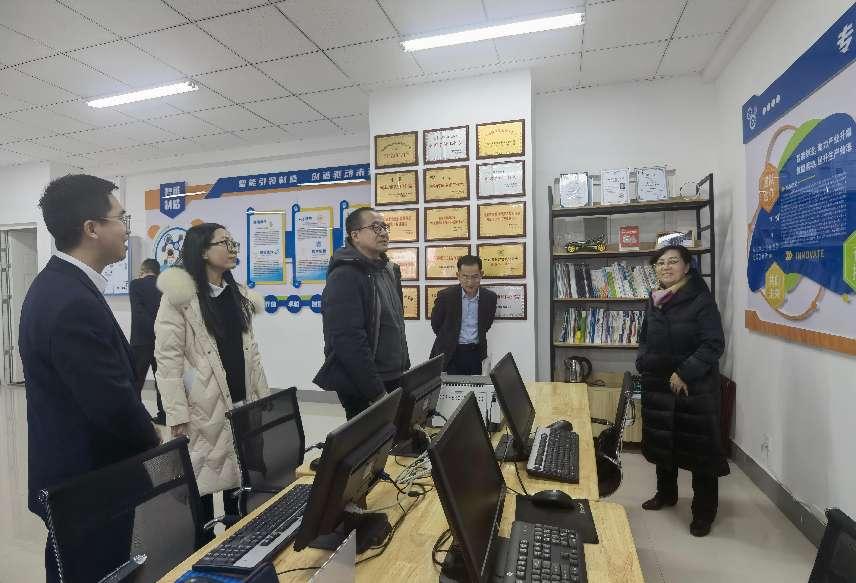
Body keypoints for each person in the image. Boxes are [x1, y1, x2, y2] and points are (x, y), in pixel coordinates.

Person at [19, 174, 160, 583]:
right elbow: (111, 405)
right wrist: (153, 437)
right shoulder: (69, 301)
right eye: (121, 218)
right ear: (91, 228)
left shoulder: (65, 287)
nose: (126, 229)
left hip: (84, 480)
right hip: (85, 485)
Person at [154, 223, 270, 542]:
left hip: (241, 402)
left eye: (234, 243)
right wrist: (176, 413)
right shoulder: (180, 298)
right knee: (201, 486)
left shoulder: (238, 295)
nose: (232, 249)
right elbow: (167, 361)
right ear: (203, 251)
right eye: (225, 243)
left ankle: (239, 546)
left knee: (241, 482)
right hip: (202, 407)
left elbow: (251, 353)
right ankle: (202, 552)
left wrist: (262, 396)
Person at [636, 244, 727, 538]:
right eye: (660, 263)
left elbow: (713, 344)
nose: (666, 267)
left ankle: (704, 513)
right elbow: (645, 338)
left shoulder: (701, 299)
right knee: (663, 444)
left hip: (694, 388)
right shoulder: (655, 299)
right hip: (659, 384)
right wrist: (642, 361)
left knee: (701, 454)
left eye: (673, 261)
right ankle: (666, 494)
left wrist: (684, 372)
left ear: (687, 267)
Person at [313, 207, 410, 419]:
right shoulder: (345, 275)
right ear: (355, 235)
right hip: (363, 383)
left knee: (396, 434)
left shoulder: (389, 270)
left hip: (392, 374)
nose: (383, 232)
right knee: (370, 438)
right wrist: (376, 392)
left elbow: (396, 325)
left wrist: (404, 367)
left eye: (385, 227)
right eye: (375, 227)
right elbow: (348, 340)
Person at [429, 255, 498, 374]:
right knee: (450, 385)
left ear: (481, 274)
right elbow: (436, 324)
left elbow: (486, 325)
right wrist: (450, 338)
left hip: (476, 354)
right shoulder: (446, 296)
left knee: (475, 385)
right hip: (450, 354)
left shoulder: (490, 298)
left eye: (475, 277)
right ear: (458, 276)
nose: (470, 282)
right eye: (465, 276)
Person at [129, 258, 165, 424]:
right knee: (162, 380)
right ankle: (163, 415)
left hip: (141, 341)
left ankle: (136, 418)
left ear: (142, 271)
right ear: (158, 271)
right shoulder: (164, 286)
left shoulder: (136, 285)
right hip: (162, 340)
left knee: (135, 382)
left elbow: (139, 313)